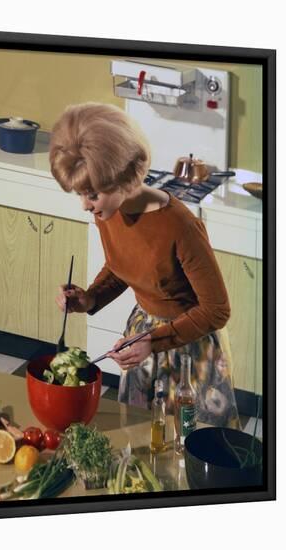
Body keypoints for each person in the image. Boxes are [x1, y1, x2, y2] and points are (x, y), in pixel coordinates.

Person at [50, 102, 240, 428]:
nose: (85, 205)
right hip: (141, 332)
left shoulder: (180, 226)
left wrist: (155, 341)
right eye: (80, 194)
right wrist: (90, 298)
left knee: (190, 446)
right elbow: (121, 263)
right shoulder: (107, 212)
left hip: (190, 344)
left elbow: (217, 310)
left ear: (122, 179)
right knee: (138, 436)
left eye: (92, 194)